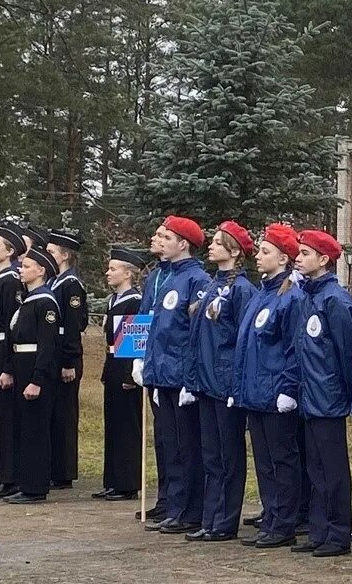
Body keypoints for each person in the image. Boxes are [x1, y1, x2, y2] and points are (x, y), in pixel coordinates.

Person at [234, 224, 306, 549]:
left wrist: (288, 390)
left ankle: (284, 522)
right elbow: (246, 346)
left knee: (282, 460)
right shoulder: (261, 294)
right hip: (255, 393)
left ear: (283, 257)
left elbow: (294, 348)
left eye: (265, 251)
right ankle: (271, 516)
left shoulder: (291, 297)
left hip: (276, 393)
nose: (258, 256)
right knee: (264, 462)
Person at [292, 229, 352, 558]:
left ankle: (338, 532)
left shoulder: (336, 300)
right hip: (310, 397)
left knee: (333, 470)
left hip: (329, 397)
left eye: (305, 253)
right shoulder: (308, 297)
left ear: (323, 260)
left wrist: (350, 397)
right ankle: (319, 530)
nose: (297, 258)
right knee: (315, 469)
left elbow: (349, 353)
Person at [139, 216, 211, 534]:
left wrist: (190, 379)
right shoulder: (166, 278)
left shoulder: (196, 280)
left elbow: (194, 334)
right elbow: (158, 330)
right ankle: (175, 505)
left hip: (181, 375)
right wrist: (148, 367)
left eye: (168, 237)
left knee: (187, 445)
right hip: (163, 374)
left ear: (183, 244)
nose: (162, 241)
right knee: (170, 444)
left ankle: (190, 510)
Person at [186, 222, 257, 541]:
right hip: (205, 381)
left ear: (234, 251)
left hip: (225, 383)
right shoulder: (214, 285)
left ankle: (226, 520)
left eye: (217, 242)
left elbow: (243, 340)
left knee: (228, 456)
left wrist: (236, 385)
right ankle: (211, 516)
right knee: (211, 454)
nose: (210, 246)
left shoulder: (241, 289)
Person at [0, 245, 61, 504]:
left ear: (41, 270)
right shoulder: (27, 301)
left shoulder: (45, 302)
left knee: (35, 429)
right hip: (22, 367)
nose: (20, 270)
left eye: (25, 267)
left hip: (36, 371)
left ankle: (35, 487)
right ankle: (25, 482)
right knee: (24, 428)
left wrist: (37, 379)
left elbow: (47, 346)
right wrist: (9, 370)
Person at [96, 247, 148, 501]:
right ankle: (113, 479)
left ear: (128, 273)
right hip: (112, 362)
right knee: (113, 423)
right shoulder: (113, 300)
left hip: (126, 365)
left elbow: (135, 340)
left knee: (127, 425)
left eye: (113, 269)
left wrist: (130, 375)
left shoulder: (134, 301)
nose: (108, 273)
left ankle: (127, 482)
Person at [46, 228, 87, 490]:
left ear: (64, 255)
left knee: (64, 415)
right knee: (55, 413)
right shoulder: (56, 281)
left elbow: (73, 325)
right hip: (56, 353)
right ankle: (56, 466)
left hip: (66, 355)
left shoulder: (71, 284)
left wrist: (69, 361)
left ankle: (64, 471)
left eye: (51, 252)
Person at [0, 223, 24, 499]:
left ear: (11, 252)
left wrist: (7, 366)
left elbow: (12, 324)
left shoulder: (11, 280)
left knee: (3, 414)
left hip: (1, 347)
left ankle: (7, 475)